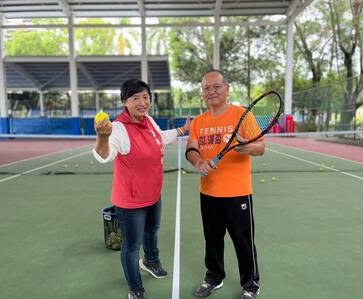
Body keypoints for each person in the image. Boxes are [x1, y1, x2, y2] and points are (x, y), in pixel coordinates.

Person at [93, 79, 190, 299]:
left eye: (145, 97)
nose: (142, 102)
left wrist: (182, 130)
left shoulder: (149, 121)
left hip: (153, 195)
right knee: (132, 246)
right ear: (125, 101)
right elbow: (103, 155)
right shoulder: (118, 129)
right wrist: (102, 137)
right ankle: (135, 287)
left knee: (152, 231)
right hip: (131, 202)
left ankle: (151, 261)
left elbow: (161, 138)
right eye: (136, 98)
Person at [185, 70, 264, 299]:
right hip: (208, 192)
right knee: (212, 240)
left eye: (216, 86)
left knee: (243, 241)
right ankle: (214, 277)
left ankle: (251, 285)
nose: (211, 92)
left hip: (238, 193)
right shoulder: (199, 121)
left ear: (227, 88)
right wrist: (199, 161)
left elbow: (260, 147)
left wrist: (247, 148)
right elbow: (191, 148)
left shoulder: (242, 116)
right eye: (206, 88)